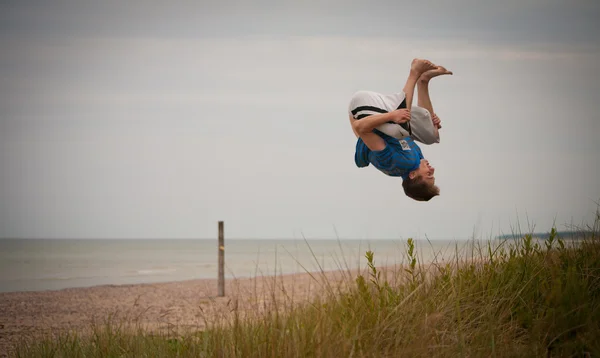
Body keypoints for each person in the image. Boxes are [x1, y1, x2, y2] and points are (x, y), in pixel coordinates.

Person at [347, 58, 452, 201]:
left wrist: (391, 115)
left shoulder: (394, 163)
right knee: (431, 135)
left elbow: (360, 128)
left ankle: (415, 72)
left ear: (412, 175)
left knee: (400, 129)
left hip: (360, 108)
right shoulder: (415, 160)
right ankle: (423, 80)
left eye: (429, 174)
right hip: (381, 112)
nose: (432, 170)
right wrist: (429, 122)